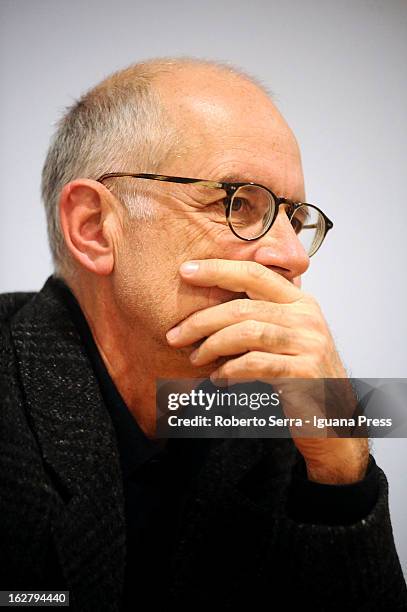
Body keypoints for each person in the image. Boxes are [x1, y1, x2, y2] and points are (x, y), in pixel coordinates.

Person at [0, 57, 405, 611]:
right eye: (237, 202)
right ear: (94, 228)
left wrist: (340, 472)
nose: (290, 257)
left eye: (293, 217)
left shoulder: (274, 416)